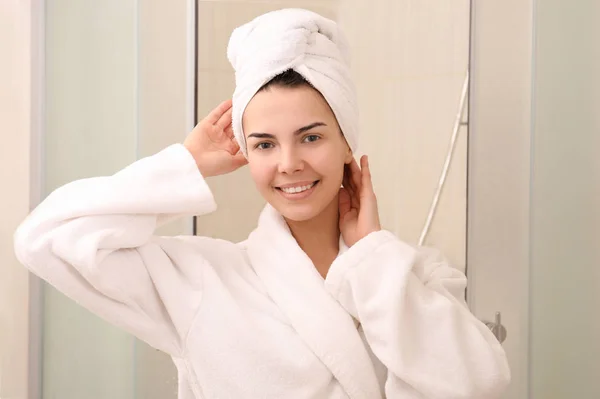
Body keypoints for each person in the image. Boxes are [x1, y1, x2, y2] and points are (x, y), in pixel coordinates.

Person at [14, 9, 510, 399]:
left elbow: (477, 384)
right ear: (247, 153)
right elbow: (46, 240)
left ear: (346, 143)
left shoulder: (418, 276)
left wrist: (372, 258)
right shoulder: (203, 280)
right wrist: (186, 164)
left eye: (311, 137)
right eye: (265, 144)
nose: (288, 163)